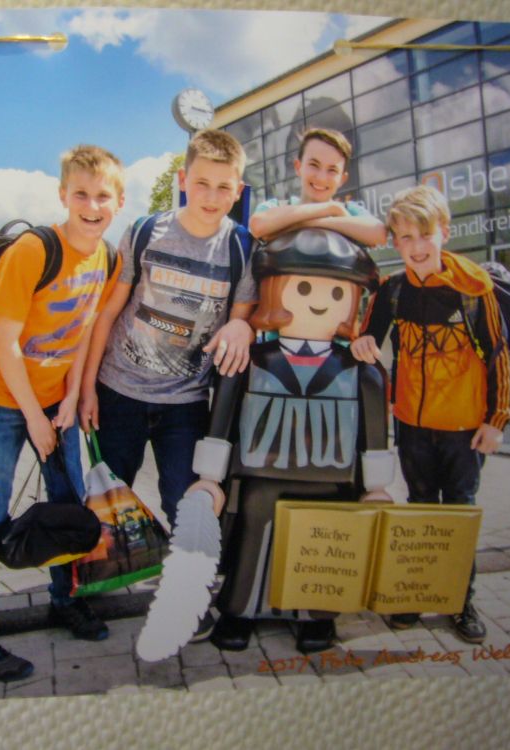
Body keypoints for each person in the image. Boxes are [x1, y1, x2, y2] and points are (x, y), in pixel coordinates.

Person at [0, 145, 125, 681]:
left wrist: (72, 397)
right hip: (2, 398)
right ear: (63, 195)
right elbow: (3, 341)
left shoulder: (108, 258)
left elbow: (83, 333)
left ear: (119, 202)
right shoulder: (33, 250)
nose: (92, 206)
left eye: (102, 196)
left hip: (56, 398)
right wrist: (33, 415)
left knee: (68, 503)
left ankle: (65, 599)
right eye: (81, 194)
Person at [186, 227, 391, 654]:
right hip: (261, 477)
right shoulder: (247, 362)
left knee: (323, 545)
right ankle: (240, 609)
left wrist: (376, 487)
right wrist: (209, 478)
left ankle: (317, 614)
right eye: (303, 287)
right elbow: (221, 421)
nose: (320, 301)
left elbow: (374, 435)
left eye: (338, 293)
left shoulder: (361, 372)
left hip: (332, 484)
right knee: (253, 538)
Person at [351, 184, 510, 644]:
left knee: (458, 514)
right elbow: (368, 337)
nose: (416, 247)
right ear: (395, 242)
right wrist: (363, 342)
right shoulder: (393, 290)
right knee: (421, 509)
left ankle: (461, 600)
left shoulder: (473, 288)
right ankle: (417, 594)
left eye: (425, 234)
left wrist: (497, 420)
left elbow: (499, 354)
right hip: (413, 426)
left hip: (465, 428)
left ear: (444, 231)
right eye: (405, 237)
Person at [79, 129, 257, 529]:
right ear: (183, 180)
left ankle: (185, 570)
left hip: (186, 403)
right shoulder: (145, 232)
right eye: (202, 183)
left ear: (238, 191)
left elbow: (240, 320)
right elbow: (106, 314)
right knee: (108, 509)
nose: (211, 197)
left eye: (223, 187)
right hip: (118, 391)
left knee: (187, 507)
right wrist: (88, 389)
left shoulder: (242, 248)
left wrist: (243, 327)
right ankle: (105, 570)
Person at [248, 127, 387, 248]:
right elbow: (258, 225)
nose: (321, 178)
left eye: (332, 170)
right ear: (298, 167)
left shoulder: (349, 210)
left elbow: (379, 234)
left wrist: (306, 223)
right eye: (314, 165)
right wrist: (331, 209)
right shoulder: (276, 207)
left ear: (342, 179)